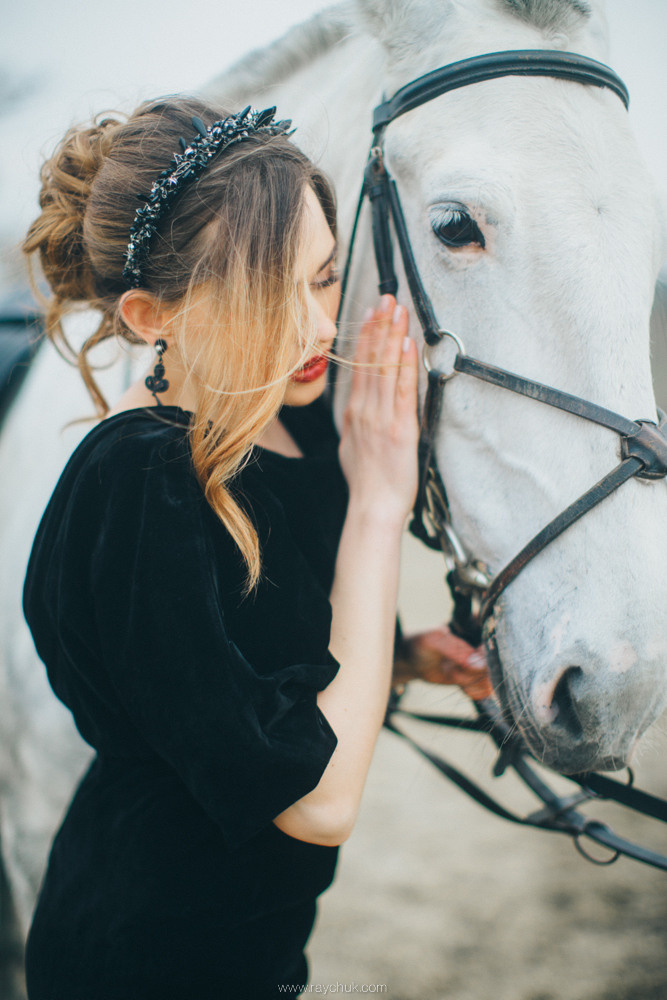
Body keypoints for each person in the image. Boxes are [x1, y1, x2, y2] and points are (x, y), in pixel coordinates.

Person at [21, 96, 491, 999]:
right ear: (152, 316)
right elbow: (316, 803)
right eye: (266, 294)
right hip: (141, 961)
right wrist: (379, 505)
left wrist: (396, 662)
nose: (321, 327)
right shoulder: (139, 485)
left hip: (258, 956)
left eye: (321, 278)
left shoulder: (293, 431)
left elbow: (263, 668)